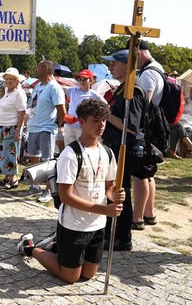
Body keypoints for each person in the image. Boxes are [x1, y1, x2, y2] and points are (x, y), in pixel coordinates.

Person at [17, 99, 125, 284]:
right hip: (74, 224)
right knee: (71, 277)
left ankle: (58, 248)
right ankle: (30, 248)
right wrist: (104, 210)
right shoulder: (70, 154)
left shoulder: (107, 152)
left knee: (88, 274)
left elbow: (109, 186)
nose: (101, 125)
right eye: (95, 120)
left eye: (104, 120)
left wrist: (114, 195)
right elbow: (66, 196)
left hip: (97, 223)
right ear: (82, 122)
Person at [100, 49, 147, 251]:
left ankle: (122, 236)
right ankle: (112, 232)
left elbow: (132, 127)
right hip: (115, 147)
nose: (110, 67)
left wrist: (106, 114)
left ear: (127, 66)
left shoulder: (133, 91)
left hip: (124, 149)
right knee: (114, 190)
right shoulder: (123, 88)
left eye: (114, 63)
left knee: (120, 191)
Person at [132, 41, 164, 229]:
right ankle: (149, 214)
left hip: (147, 129)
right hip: (154, 128)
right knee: (148, 173)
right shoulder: (157, 67)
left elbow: (144, 103)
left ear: (139, 52)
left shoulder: (148, 73)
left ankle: (137, 219)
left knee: (140, 174)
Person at [26, 60, 66, 202]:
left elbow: (62, 110)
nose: (35, 69)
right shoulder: (38, 86)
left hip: (46, 128)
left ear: (45, 69)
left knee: (47, 161)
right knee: (33, 157)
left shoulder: (54, 87)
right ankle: (35, 186)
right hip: (33, 126)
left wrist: (57, 125)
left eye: (38, 67)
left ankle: (49, 190)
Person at [0, 68, 27, 189]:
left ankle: (13, 179)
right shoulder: (6, 91)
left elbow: (22, 113)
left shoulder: (19, 93)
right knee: (2, 152)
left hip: (11, 127)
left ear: (17, 81)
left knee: (11, 152)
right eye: (6, 79)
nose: (8, 81)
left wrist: (17, 130)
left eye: (11, 79)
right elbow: (1, 103)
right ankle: (6, 177)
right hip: (1, 126)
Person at [63, 69, 106, 146]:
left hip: (83, 127)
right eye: (80, 79)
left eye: (85, 79)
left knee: (82, 149)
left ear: (91, 81)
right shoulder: (73, 90)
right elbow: (59, 88)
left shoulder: (94, 94)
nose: (82, 82)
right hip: (69, 126)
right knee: (69, 148)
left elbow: (106, 106)